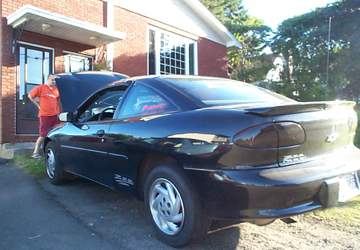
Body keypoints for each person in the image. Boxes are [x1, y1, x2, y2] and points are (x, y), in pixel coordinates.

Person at [28, 74, 62, 159]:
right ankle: (35, 152)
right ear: (47, 79)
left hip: (55, 115)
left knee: (55, 133)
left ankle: (53, 151)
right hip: (45, 115)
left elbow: (55, 100)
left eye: (54, 80)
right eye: (52, 80)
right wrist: (38, 106)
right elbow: (30, 96)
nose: (53, 82)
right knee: (43, 134)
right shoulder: (41, 88)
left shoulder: (56, 90)